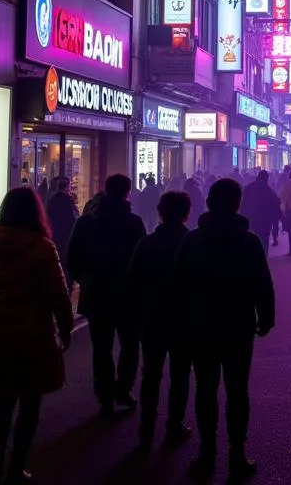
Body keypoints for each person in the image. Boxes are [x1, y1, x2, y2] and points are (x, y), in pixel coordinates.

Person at [0, 187, 73, 485]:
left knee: (2, 403)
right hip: (33, 336)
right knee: (29, 403)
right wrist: (65, 328)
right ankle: (17, 467)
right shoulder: (42, 247)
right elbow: (59, 297)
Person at [176, 177, 274, 481]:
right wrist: (266, 317)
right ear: (237, 203)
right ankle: (237, 452)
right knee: (237, 389)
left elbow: (178, 285)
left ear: (208, 203)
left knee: (205, 388)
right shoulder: (250, 241)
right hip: (238, 325)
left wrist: (182, 319)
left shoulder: (192, 240)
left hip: (200, 324)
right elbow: (263, 284)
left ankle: (206, 452)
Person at [67, 173, 147, 416]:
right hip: (127, 294)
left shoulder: (86, 221)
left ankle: (104, 397)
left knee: (101, 348)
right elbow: (142, 259)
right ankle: (123, 389)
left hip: (96, 293)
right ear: (127, 193)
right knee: (130, 345)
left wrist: (85, 279)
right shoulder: (133, 222)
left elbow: (72, 257)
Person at [128, 190, 192, 450]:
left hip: (152, 319)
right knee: (180, 373)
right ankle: (174, 424)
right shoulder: (191, 243)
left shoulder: (146, 244)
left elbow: (133, 282)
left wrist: (135, 316)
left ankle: (146, 428)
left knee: (150, 374)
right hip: (182, 320)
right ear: (186, 213)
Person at [45, 177, 78, 290]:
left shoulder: (51, 201)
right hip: (66, 237)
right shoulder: (68, 202)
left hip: (54, 236)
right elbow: (72, 220)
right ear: (66, 187)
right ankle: (66, 287)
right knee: (66, 263)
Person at [241, 169, 282, 252]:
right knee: (264, 241)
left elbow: (242, 204)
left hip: (250, 219)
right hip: (264, 220)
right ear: (266, 179)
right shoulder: (268, 190)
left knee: (250, 240)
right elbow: (275, 204)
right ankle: (262, 259)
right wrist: (277, 219)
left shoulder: (247, 188)